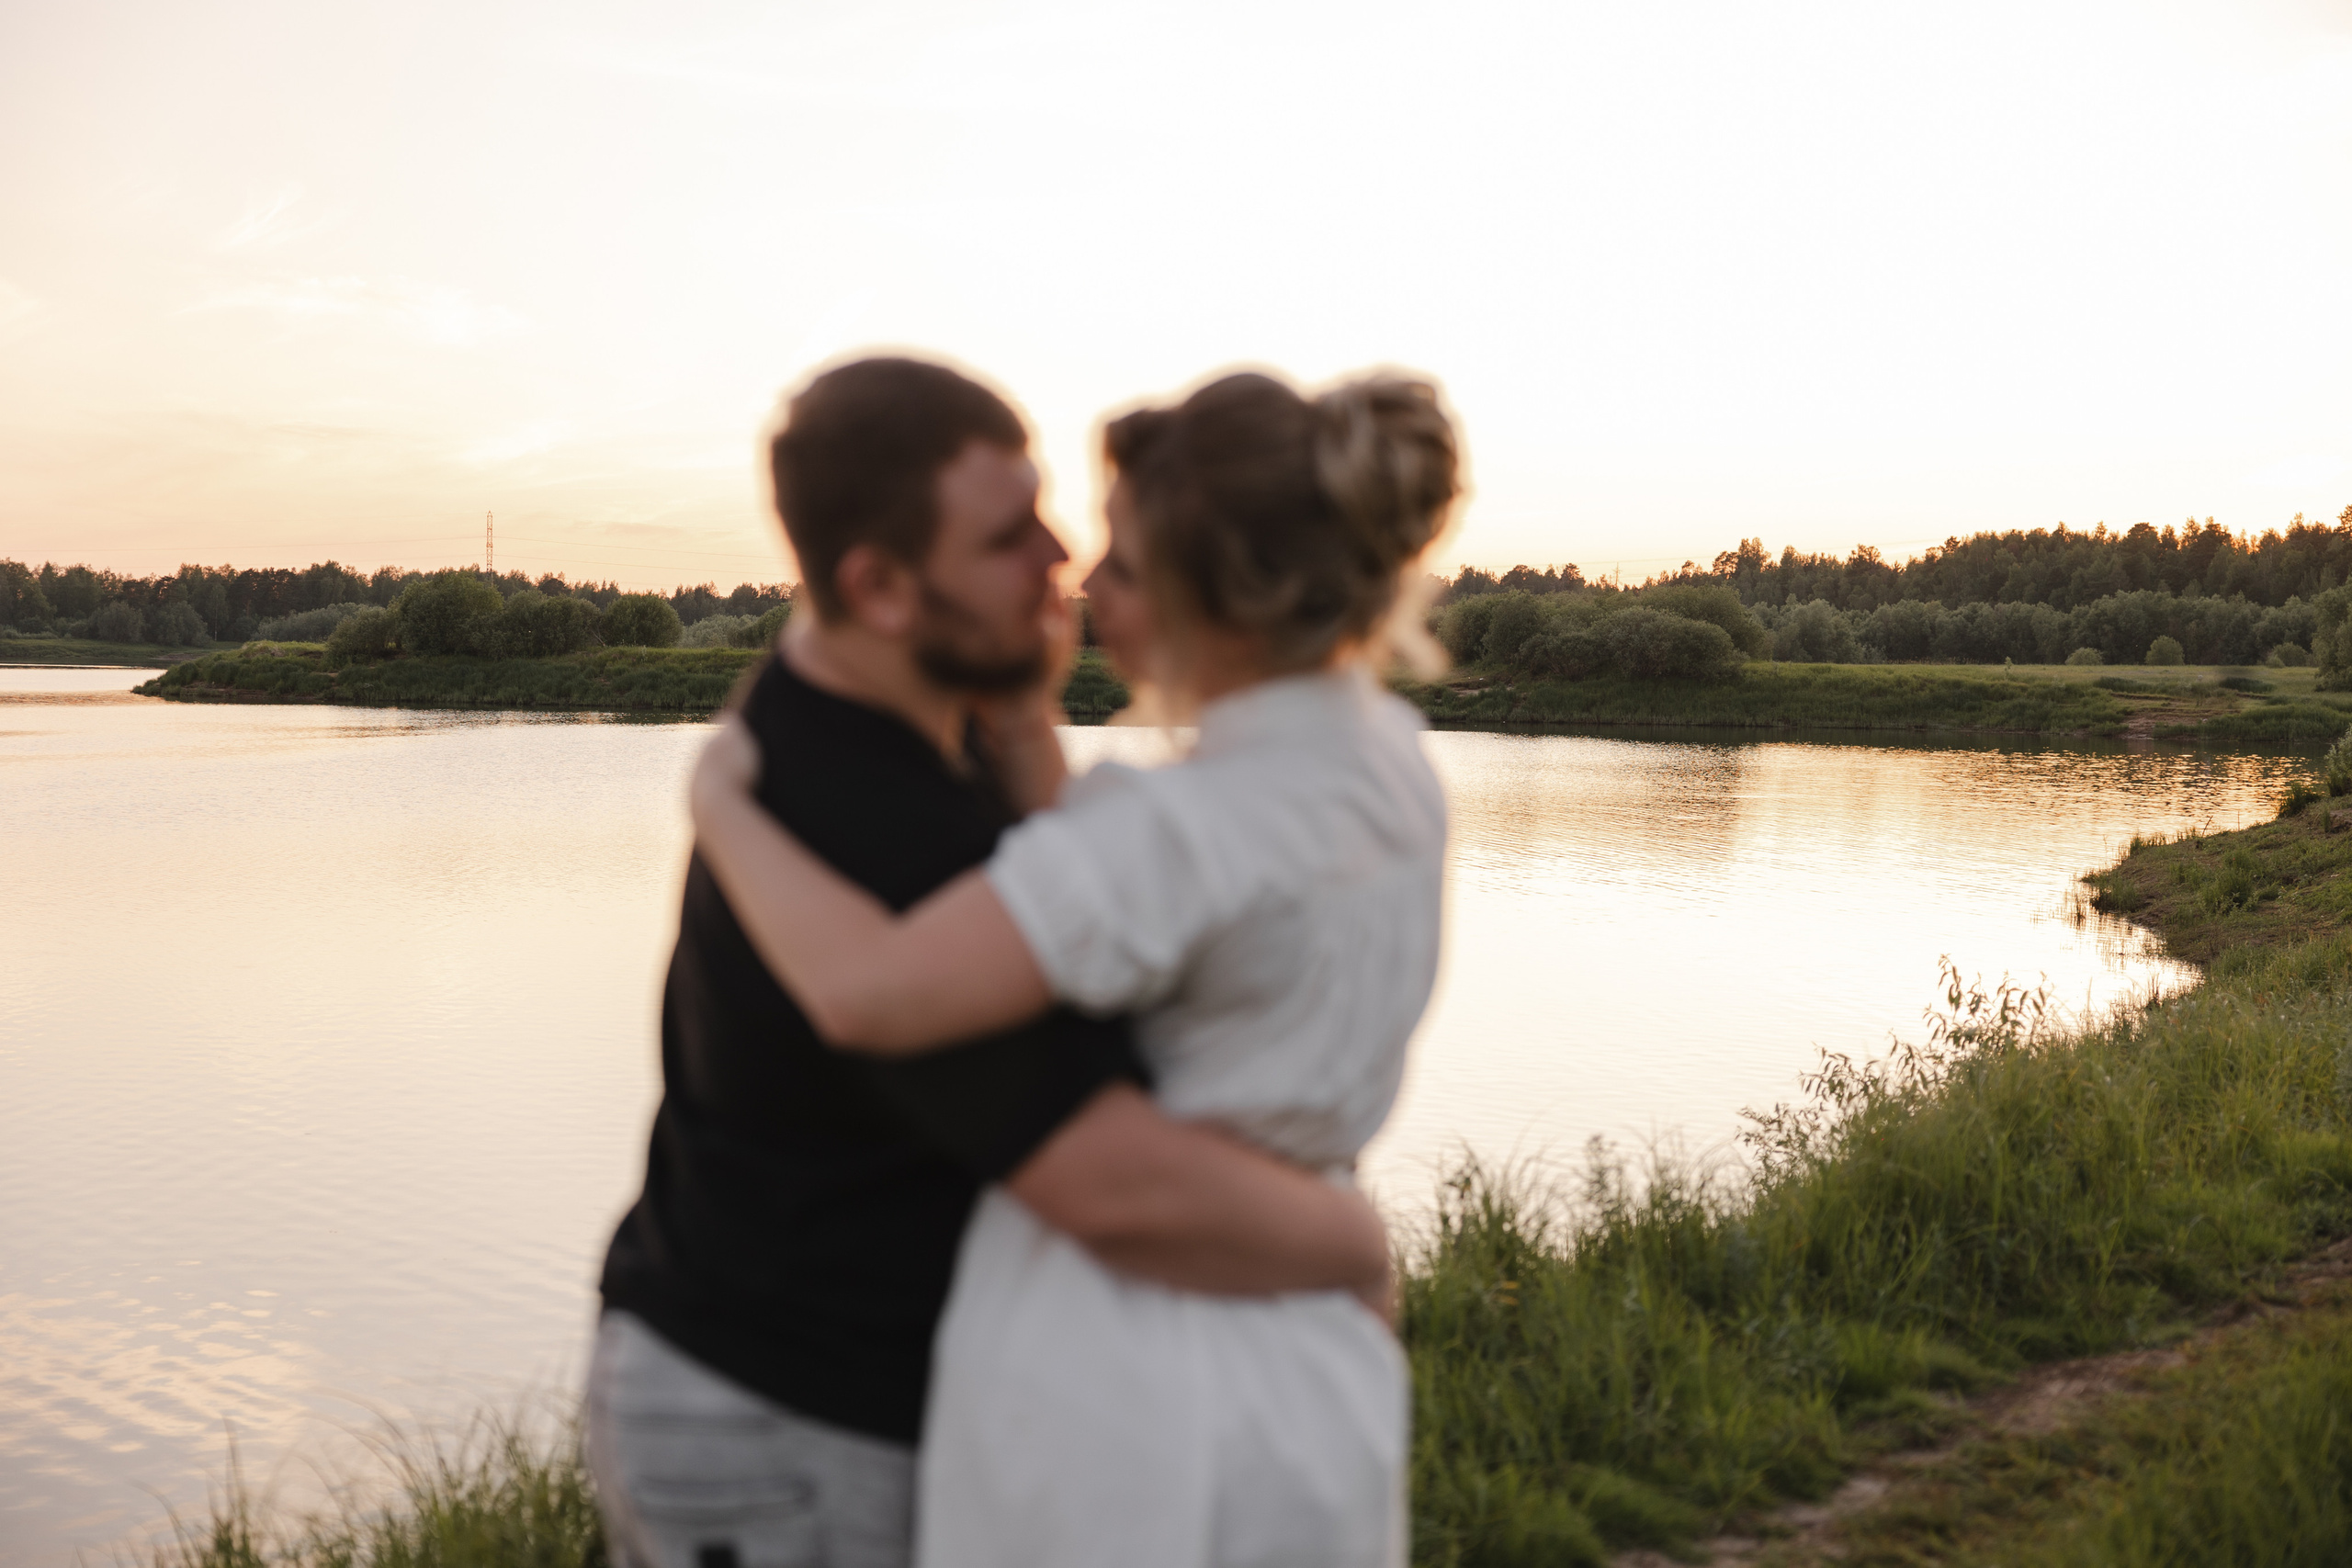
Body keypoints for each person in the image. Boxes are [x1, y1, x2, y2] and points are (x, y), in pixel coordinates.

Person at [590, 357, 1398, 1568]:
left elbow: (1075, 920)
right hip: (789, 1426)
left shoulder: (907, 717)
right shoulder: (860, 820)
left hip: (787, 1392)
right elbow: (1105, 1179)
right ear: (881, 585)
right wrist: (1351, 1243)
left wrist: (1025, 720)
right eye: (1011, 535)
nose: (1060, 560)